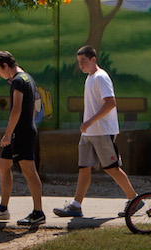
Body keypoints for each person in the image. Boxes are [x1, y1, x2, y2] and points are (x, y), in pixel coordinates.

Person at [53, 45, 141, 218]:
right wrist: (88, 125)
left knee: (111, 168)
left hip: (102, 131)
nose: (81, 65)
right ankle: (76, 205)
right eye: (79, 62)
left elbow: (111, 103)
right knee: (84, 167)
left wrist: (90, 121)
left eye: (83, 61)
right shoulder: (89, 78)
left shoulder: (101, 77)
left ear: (94, 59)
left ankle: (135, 200)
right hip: (89, 133)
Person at [0, 50, 46, 226]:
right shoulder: (27, 78)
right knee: (3, 165)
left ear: (5, 65)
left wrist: (8, 134)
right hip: (23, 130)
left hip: (20, 133)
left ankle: (38, 212)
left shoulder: (18, 81)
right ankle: (3, 209)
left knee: (29, 171)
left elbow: (16, 109)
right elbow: (35, 105)